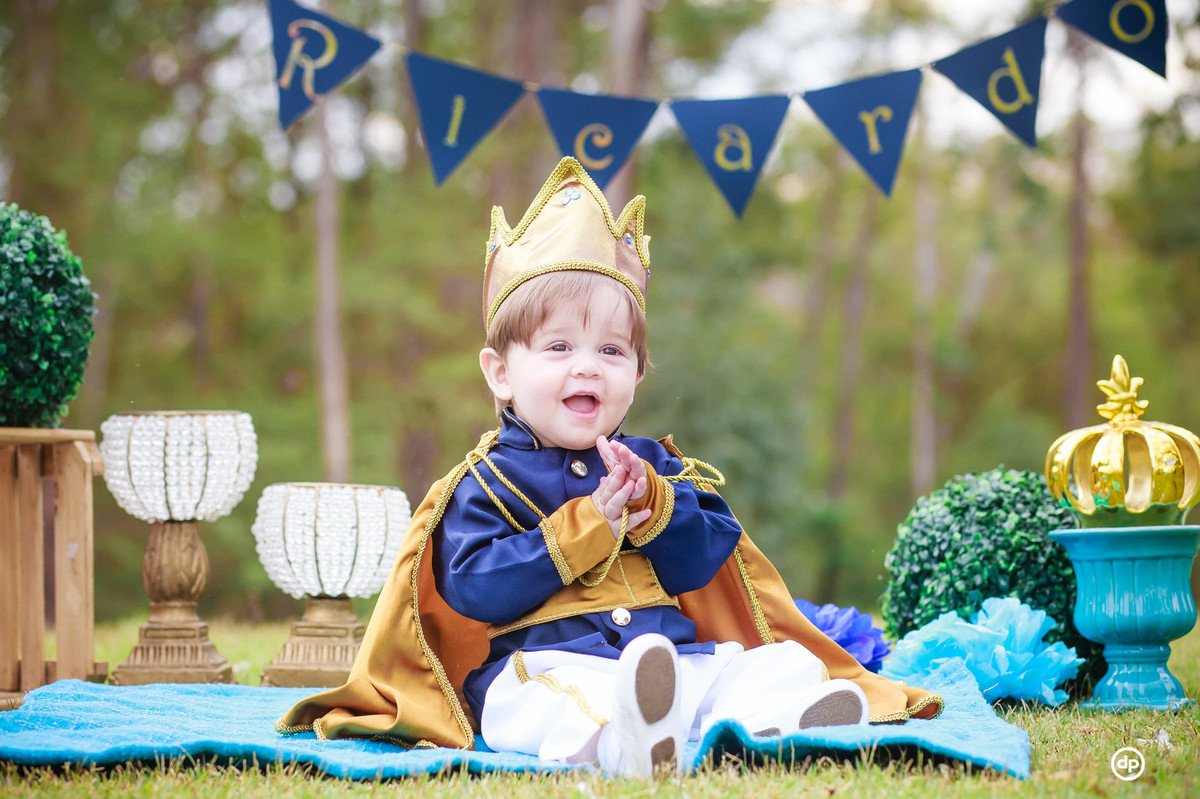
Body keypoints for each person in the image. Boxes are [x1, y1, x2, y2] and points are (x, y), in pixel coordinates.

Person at [277, 157, 942, 776]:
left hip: (674, 661)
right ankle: (625, 741)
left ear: (638, 373)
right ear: (500, 373)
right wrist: (588, 524)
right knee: (536, 703)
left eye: (612, 350)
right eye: (558, 347)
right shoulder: (485, 481)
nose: (587, 366)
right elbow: (475, 588)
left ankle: (773, 720)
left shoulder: (655, 466)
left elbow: (709, 558)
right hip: (543, 664)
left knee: (775, 662)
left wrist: (655, 506)